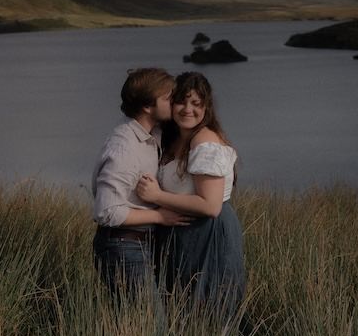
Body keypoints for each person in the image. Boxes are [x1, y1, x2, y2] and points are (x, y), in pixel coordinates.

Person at [136, 71, 244, 320]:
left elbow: (210, 206)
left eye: (196, 103)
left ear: (206, 108)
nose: (188, 109)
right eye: (181, 102)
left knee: (208, 308)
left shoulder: (204, 141)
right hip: (183, 236)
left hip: (208, 235)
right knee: (181, 310)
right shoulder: (173, 138)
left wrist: (156, 196)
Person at [91, 67, 189, 306]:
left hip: (142, 243)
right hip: (123, 246)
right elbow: (106, 212)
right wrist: (159, 216)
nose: (175, 103)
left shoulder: (153, 133)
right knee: (151, 323)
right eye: (168, 98)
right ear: (147, 106)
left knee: (145, 321)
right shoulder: (125, 148)